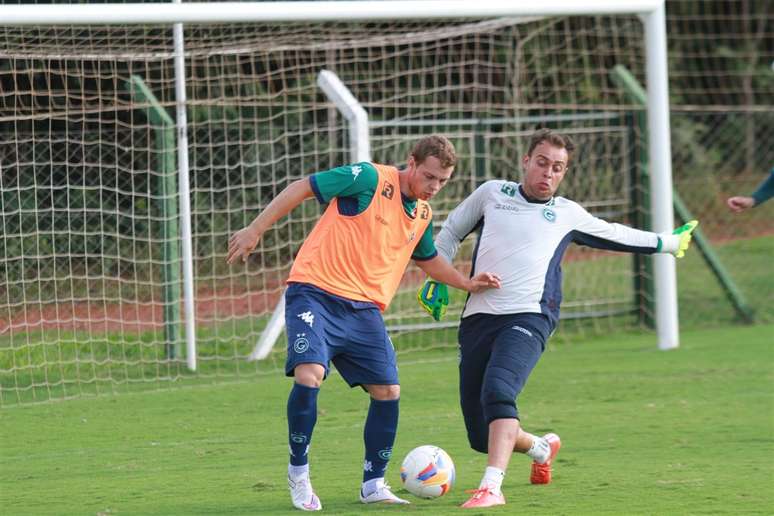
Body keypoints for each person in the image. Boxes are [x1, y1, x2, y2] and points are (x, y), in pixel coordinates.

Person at [417, 128, 698, 509]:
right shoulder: (491, 194)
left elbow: (615, 234)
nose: (548, 173)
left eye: (558, 168)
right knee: (480, 435)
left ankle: (491, 487)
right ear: (526, 161)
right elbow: (448, 233)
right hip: (478, 318)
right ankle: (540, 447)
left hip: (531, 317)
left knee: (499, 392)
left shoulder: (566, 214)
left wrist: (667, 242)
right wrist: (442, 279)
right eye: (543, 163)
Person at [227, 135, 501, 512]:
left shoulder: (421, 214)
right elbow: (302, 187)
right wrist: (255, 229)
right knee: (310, 375)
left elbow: (428, 259)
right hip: (315, 293)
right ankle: (298, 472)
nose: (434, 187)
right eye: (429, 177)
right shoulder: (368, 178)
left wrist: (466, 282)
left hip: (364, 311)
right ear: (412, 162)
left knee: (388, 390)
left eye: (442, 181)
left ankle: (373, 483)